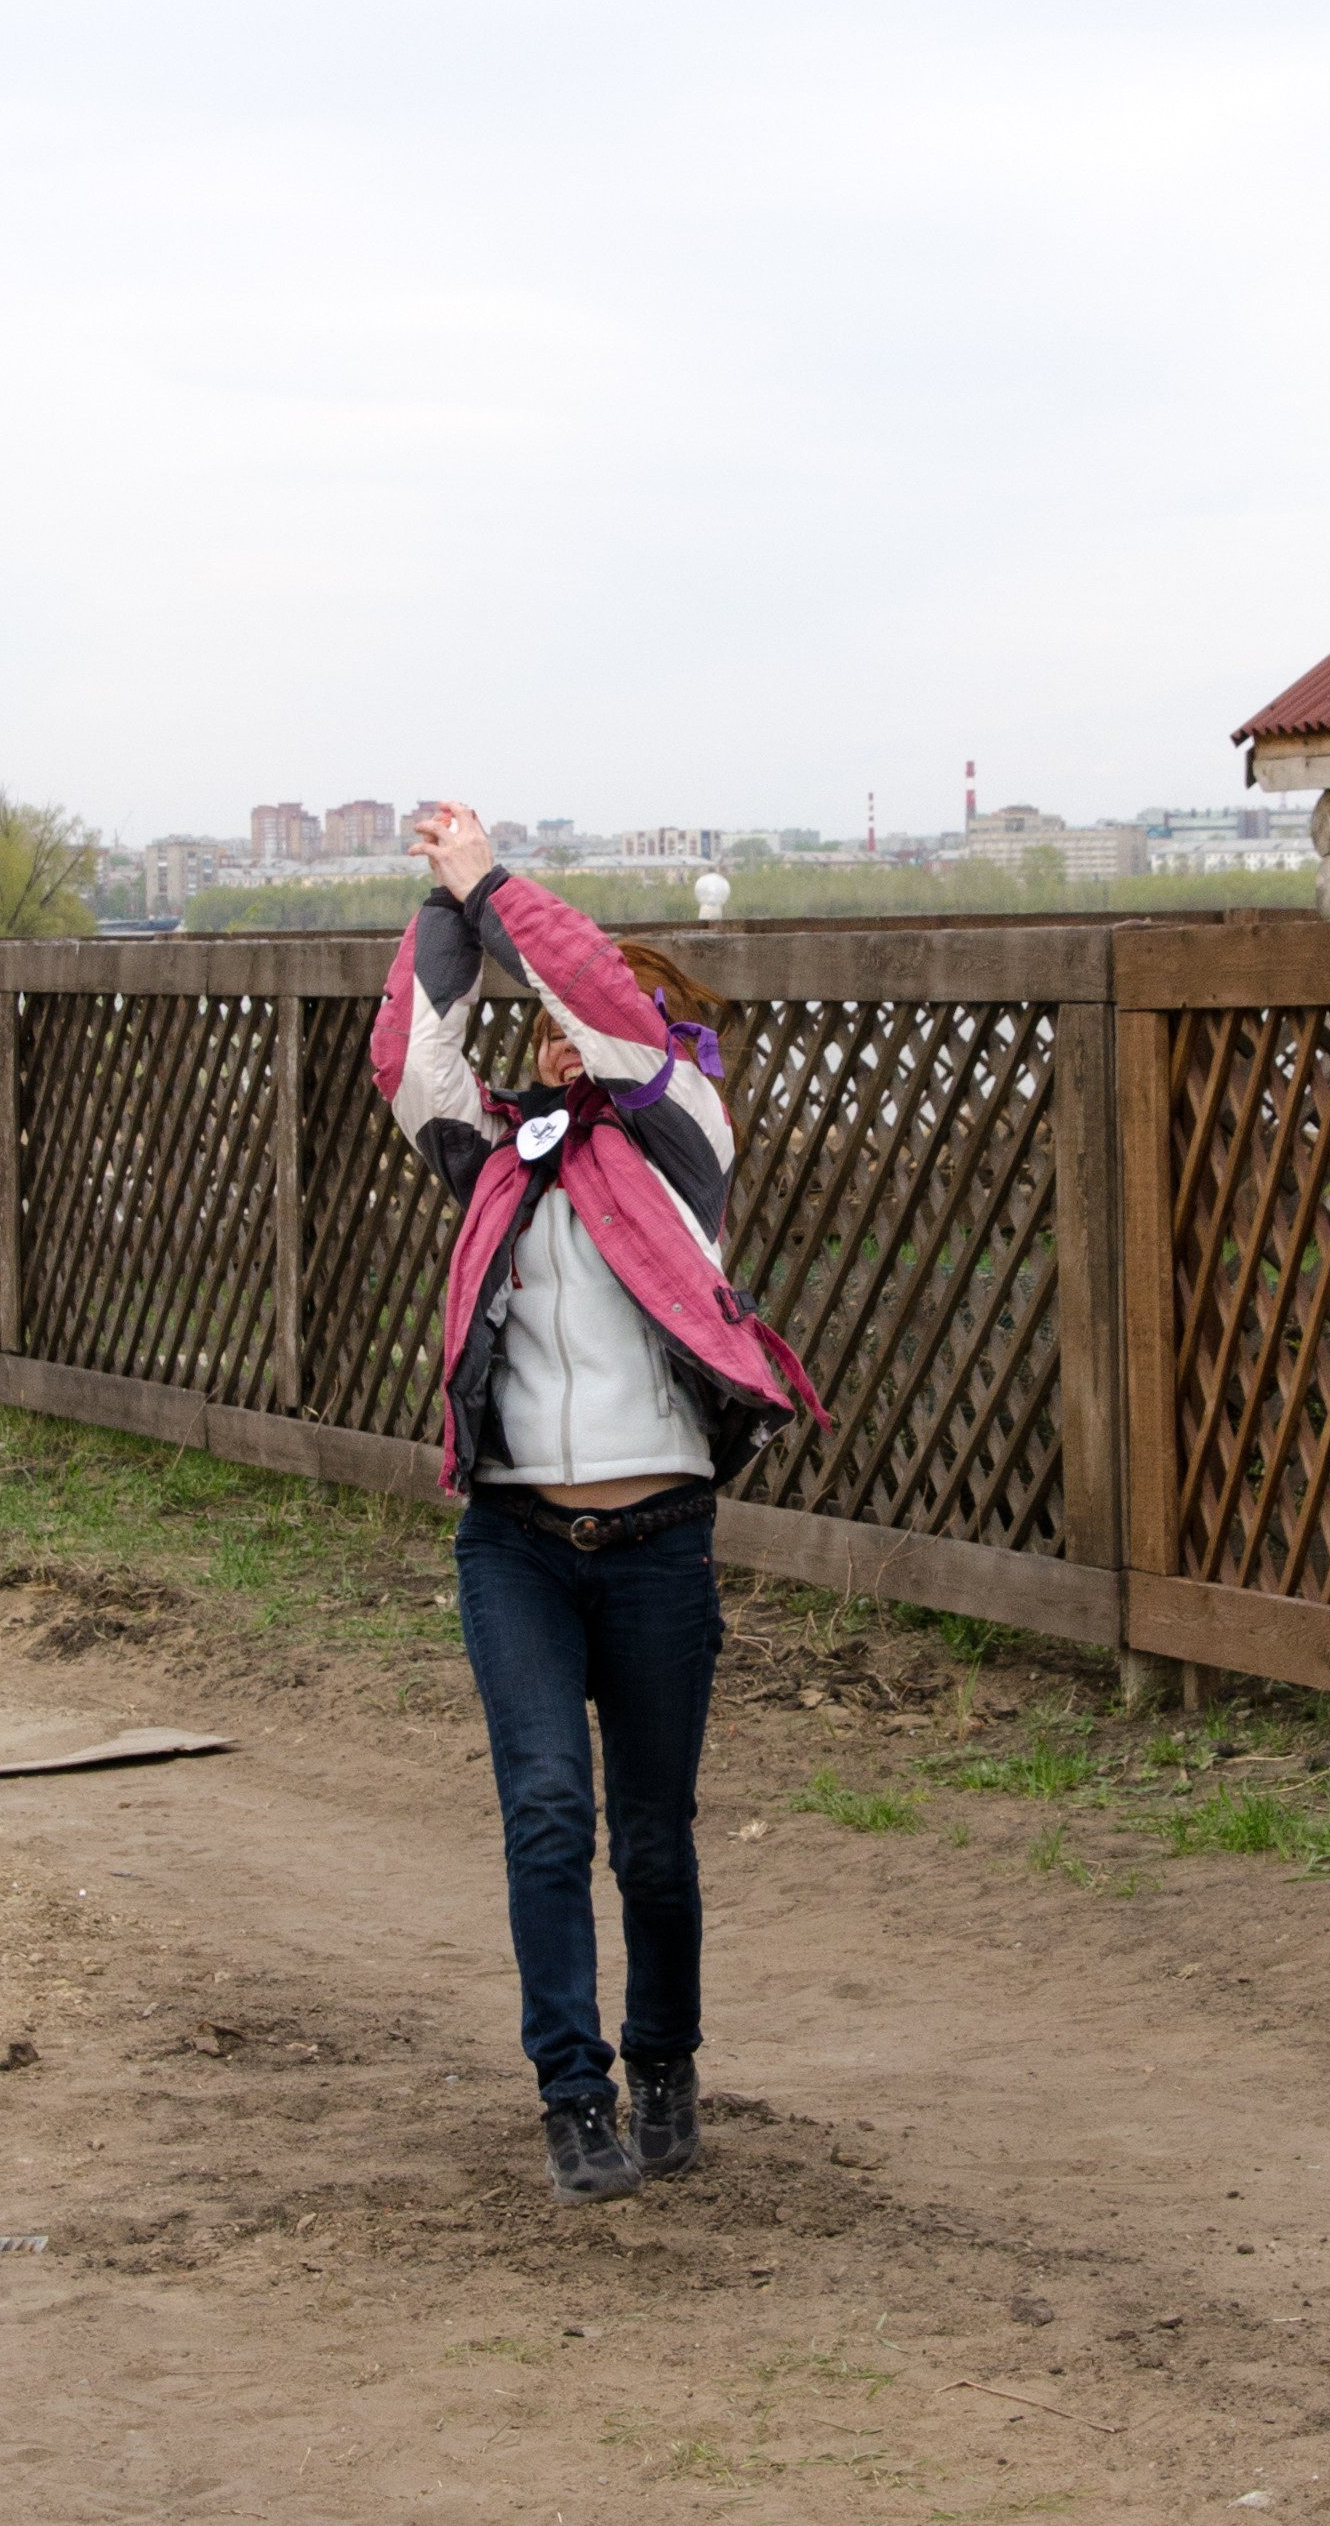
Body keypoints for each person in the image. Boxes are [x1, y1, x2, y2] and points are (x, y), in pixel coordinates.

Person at [371, 803, 827, 2204]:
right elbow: (410, 1052)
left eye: (594, 1022)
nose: (561, 1038)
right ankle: (572, 2095)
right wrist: (449, 908)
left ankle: (665, 2060)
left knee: (649, 1832)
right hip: (512, 1542)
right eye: (548, 1029)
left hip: (654, 1549)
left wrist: (499, 881)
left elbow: (600, 997)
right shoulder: (495, 1159)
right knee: (546, 1817)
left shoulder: (682, 1139)